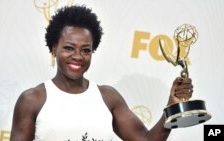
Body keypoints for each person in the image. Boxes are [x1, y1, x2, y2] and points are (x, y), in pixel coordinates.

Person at [10, 5, 193, 141]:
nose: (77, 56)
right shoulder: (33, 99)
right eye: (68, 48)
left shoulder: (108, 97)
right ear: (54, 48)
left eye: (86, 50)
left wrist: (172, 109)